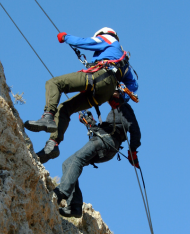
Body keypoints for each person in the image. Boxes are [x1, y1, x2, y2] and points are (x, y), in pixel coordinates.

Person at [24, 27, 138, 163]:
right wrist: (121, 96)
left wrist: (65, 37)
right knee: (65, 108)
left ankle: (47, 116)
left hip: (99, 77)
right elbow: (133, 85)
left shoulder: (109, 39)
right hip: (104, 93)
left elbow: (86, 42)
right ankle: (52, 145)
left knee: (54, 83)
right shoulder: (124, 62)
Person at [53, 99, 141, 218]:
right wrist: (91, 123)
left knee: (77, 160)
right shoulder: (115, 113)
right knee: (67, 163)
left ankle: (61, 192)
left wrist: (133, 150)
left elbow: (134, 128)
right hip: (107, 145)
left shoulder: (124, 107)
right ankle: (75, 206)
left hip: (105, 140)